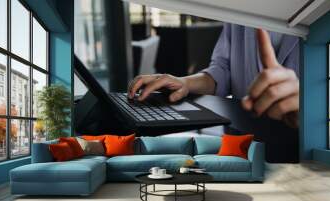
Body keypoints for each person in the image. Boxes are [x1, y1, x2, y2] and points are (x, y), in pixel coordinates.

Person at [127, 24, 300, 128]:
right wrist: (184, 82)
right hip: (243, 131)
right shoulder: (240, 10)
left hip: (299, 139)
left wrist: (306, 108)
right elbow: (223, 69)